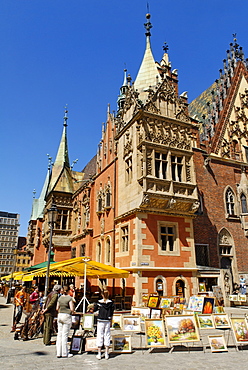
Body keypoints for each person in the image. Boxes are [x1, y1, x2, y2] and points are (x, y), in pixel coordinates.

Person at [94, 290, 114, 360]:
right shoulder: (111, 303)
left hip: (100, 319)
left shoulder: (99, 303)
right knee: (107, 335)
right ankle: (106, 353)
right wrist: (111, 320)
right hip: (107, 320)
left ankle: (99, 353)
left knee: (100, 335)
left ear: (102, 295)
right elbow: (112, 313)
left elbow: (95, 309)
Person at [56, 285, 74, 358]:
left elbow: (57, 308)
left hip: (60, 315)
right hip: (66, 316)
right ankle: (64, 352)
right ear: (68, 290)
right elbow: (72, 309)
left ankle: (58, 352)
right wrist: (71, 311)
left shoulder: (59, 298)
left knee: (59, 334)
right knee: (65, 335)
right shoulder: (69, 298)